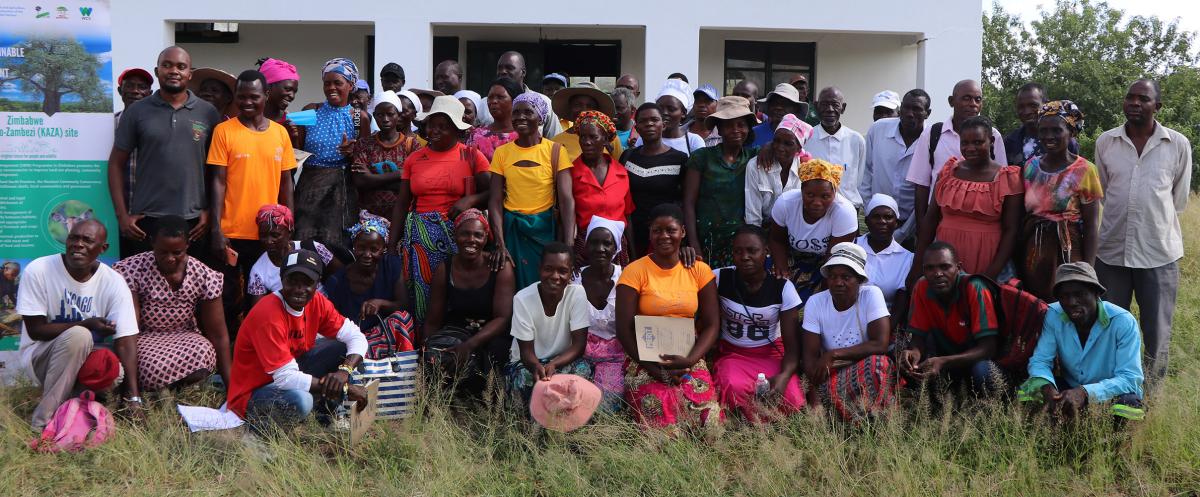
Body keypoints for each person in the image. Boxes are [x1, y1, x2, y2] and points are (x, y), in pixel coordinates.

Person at [1093, 79, 1192, 382]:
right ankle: (1112, 390)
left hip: (1158, 254)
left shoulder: (1177, 144)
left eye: (1143, 99)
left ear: (1157, 106)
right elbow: (1105, 192)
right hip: (1112, 254)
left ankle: (1151, 398)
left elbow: (1178, 199)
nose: (1134, 103)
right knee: (1109, 329)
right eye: (1130, 97)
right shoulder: (1106, 142)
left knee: (1156, 334)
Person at [16, 220, 142, 429]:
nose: (78, 244)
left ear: (103, 248)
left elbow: (126, 340)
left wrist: (134, 398)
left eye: (87, 240)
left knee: (111, 368)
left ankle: (74, 410)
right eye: (74, 238)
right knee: (80, 336)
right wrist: (87, 324)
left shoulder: (113, 281)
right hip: (41, 357)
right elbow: (36, 330)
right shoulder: (39, 270)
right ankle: (44, 423)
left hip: (85, 359)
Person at [226, 248, 369, 433]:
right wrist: (345, 389)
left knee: (342, 348)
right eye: (292, 281)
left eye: (307, 283)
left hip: (288, 372)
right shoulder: (268, 314)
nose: (299, 289)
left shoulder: (317, 302)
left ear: (317, 284)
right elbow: (286, 378)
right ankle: (258, 433)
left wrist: (345, 371)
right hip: (254, 391)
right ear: (282, 279)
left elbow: (356, 337)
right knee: (302, 401)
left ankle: (328, 415)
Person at [615, 204, 722, 431]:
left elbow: (712, 324)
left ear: (683, 231)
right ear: (650, 233)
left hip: (687, 354)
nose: (664, 236)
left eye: (670, 230)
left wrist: (691, 360)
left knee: (709, 420)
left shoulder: (699, 270)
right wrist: (653, 369)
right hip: (645, 359)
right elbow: (623, 329)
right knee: (658, 409)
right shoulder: (634, 271)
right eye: (657, 230)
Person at [108, 46, 221, 259]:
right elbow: (115, 164)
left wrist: (208, 211)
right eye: (167, 65)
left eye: (181, 66)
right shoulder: (137, 111)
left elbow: (215, 170)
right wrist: (122, 216)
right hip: (146, 220)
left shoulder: (208, 112)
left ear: (190, 73)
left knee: (189, 288)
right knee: (145, 288)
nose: (173, 71)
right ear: (157, 70)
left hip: (194, 220)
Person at [391, 96, 490, 322]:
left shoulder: (472, 155)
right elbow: (402, 204)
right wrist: (391, 245)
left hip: (460, 235)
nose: (435, 130)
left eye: (443, 126)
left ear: (456, 129)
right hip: (420, 236)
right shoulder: (415, 158)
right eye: (432, 124)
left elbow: (493, 193)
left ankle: (455, 341)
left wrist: (469, 201)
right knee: (422, 292)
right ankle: (425, 344)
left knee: (454, 291)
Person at [114, 216, 231, 391]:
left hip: (186, 335)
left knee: (204, 352)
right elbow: (130, 328)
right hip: (146, 337)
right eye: (163, 252)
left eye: (177, 253)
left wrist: (232, 387)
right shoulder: (132, 270)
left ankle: (172, 388)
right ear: (152, 243)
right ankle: (166, 389)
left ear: (187, 246)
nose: (170, 259)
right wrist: (133, 393)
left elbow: (218, 335)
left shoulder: (204, 275)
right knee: (152, 366)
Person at [1018, 262, 1145, 421]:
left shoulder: (1122, 321)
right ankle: (1046, 438)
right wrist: (1048, 389)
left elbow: (1130, 378)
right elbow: (1040, 361)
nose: (1071, 302)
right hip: (1069, 390)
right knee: (1029, 390)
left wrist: (1085, 392)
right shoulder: (1053, 314)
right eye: (1064, 296)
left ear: (1096, 293)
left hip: (1109, 393)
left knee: (1129, 405)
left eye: (1079, 294)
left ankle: (1116, 444)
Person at [712, 225, 805, 423]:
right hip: (733, 354)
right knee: (733, 385)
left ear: (767, 251)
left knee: (791, 397)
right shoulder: (719, 277)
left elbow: (792, 346)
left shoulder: (782, 287)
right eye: (738, 251)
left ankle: (772, 427)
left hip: (770, 354)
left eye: (752, 251)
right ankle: (745, 424)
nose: (744, 256)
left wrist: (785, 374)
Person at [914, 116, 1024, 281]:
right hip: (944, 260)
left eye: (978, 142)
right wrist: (917, 265)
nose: (970, 148)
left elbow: (1011, 231)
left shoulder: (1008, 178)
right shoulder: (948, 172)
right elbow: (931, 219)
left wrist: (989, 276)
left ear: (991, 141)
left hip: (987, 260)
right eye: (965, 143)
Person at [488, 92, 575, 290]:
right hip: (513, 231)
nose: (521, 117)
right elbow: (494, 200)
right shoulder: (502, 153)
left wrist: (568, 245)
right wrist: (500, 242)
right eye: (516, 112)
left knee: (546, 286)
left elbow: (566, 200)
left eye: (528, 112)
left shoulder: (555, 151)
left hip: (544, 229)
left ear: (541, 117)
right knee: (513, 286)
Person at [802, 242, 895, 422]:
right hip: (830, 375)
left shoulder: (871, 295)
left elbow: (880, 344)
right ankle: (856, 420)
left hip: (859, 368)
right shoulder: (816, 302)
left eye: (846, 277)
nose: (838, 282)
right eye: (833, 276)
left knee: (879, 363)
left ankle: (871, 423)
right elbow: (810, 363)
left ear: (859, 280)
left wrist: (833, 355)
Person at [1019, 100, 1102, 301]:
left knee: (1069, 304)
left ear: (1071, 132)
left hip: (1069, 252)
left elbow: (1091, 226)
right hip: (1033, 251)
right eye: (1043, 130)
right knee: (1035, 308)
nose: (1049, 136)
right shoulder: (1029, 168)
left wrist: (1087, 270)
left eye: (1056, 130)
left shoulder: (1085, 170)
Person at [900, 241, 1006, 396]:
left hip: (977, 360)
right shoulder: (921, 286)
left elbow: (988, 348)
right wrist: (913, 354)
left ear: (958, 267)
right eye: (930, 268)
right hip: (945, 360)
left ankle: (987, 407)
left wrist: (943, 361)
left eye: (945, 267)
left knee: (983, 372)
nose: (937, 274)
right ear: (923, 270)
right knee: (905, 365)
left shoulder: (974, 287)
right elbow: (918, 339)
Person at [907, 79, 1008, 235]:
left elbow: (1002, 182)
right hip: (938, 220)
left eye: (977, 99)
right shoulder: (932, 134)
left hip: (981, 222)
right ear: (951, 101)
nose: (973, 103)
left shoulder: (993, 136)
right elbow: (922, 185)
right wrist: (922, 228)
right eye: (966, 98)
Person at [422, 209, 515, 378]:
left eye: (478, 235)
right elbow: (432, 320)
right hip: (456, 333)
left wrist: (469, 346)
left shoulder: (500, 267)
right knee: (443, 356)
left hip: (490, 335)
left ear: (486, 238)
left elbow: (502, 319)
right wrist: (428, 351)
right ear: (455, 235)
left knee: (496, 353)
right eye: (465, 234)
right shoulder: (445, 269)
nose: (471, 240)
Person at [294, 57, 371, 256]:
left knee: (337, 243)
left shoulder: (358, 117)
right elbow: (297, 150)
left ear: (351, 85)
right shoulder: (311, 111)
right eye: (327, 83)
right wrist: (292, 132)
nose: (331, 88)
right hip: (309, 185)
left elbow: (364, 160)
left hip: (342, 188)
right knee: (304, 240)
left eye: (338, 83)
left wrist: (352, 154)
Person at [506, 242, 592, 405]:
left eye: (562, 271)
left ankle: (565, 423)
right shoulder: (522, 299)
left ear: (571, 272)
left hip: (561, 360)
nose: (554, 276)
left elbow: (579, 345)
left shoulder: (577, 294)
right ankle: (527, 428)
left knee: (583, 370)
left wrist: (554, 364)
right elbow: (526, 353)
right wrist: (537, 367)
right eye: (548, 269)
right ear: (540, 269)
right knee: (524, 380)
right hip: (528, 363)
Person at [767, 159, 858, 301]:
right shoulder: (786, 203)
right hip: (791, 254)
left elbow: (835, 256)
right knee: (773, 285)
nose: (817, 202)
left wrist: (825, 283)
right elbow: (776, 239)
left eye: (825, 196)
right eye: (810, 195)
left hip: (827, 261)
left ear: (834, 193)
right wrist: (781, 266)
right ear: (801, 190)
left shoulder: (844, 212)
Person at [684, 95, 759, 268]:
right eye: (729, 125)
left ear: (748, 128)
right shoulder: (702, 157)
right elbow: (688, 203)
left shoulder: (754, 157)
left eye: (741, 125)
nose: (735, 130)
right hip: (707, 241)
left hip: (741, 244)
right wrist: (693, 243)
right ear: (719, 128)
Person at [322, 212, 412, 351]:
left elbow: (405, 305)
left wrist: (381, 303)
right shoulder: (337, 281)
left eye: (374, 249)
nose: (367, 255)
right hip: (353, 340)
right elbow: (333, 323)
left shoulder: (390, 266)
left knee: (402, 318)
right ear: (354, 247)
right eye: (361, 248)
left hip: (385, 334)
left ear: (383, 250)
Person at [620, 103, 690, 256]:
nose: (649, 124)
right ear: (636, 128)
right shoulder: (627, 157)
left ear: (663, 125)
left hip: (666, 236)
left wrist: (685, 241)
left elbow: (686, 202)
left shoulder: (679, 159)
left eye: (654, 120)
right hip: (633, 235)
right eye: (643, 121)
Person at [861, 89, 930, 243]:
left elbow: (927, 191)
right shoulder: (878, 129)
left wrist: (904, 232)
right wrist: (870, 212)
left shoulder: (932, 139)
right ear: (900, 109)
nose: (910, 113)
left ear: (927, 113)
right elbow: (866, 174)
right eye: (906, 108)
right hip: (876, 223)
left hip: (912, 226)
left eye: (917, 109)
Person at [573, 218, 627, 412]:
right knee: (573, 397)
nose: (600, 248)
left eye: (607, 243)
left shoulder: (627, 278)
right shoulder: (573, 278)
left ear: (617, 248)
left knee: (606, 405)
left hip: (616, 356)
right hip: (578, 353)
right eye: (594, 242)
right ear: (586, 246)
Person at [569, 111, 634, 265]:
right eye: (583, 137)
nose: (586, 142)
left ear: (605, 139)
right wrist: (569, 249)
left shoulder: (621, 173)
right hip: (583, 248)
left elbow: (628, 216)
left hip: (616, 247)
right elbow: (563, 217)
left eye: (593, 137)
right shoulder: (571, 173)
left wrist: (633, 254)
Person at [246, 205, 342, 309]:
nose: (268, 241)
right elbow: (258, 310)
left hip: (325, 311)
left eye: (275, 235)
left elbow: (342, 274)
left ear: (290, 233)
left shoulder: (314, 248)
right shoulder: (258, 271)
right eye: (263, 235)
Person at [349, 91, 421, 219]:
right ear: (375, 116)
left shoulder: (412, 145)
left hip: (404, 216)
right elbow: (359, 181)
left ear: (398, 115)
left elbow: (414, 184)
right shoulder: (364, 144)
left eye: (390, 114)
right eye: (380, 115)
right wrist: (398, 174)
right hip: (370, 215)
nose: (385, 119)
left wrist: (371, 177)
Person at [744, 113, 814, 226]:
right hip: (762, 230)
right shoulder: (756, 165)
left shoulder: (805, 168)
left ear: (799, 148)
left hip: (794, 230)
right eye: (776, 141)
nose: (780, 147)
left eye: (788, 144)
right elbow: (753, 217)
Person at [474, 51, 562, 138]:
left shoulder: (543, 102)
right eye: (499, 68)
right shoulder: (484, 104)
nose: (503, 71)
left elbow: (555, 139)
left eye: (509, 68)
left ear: (523, 72)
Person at [805, 86, 867, 207]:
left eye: (835, 104)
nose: (830, 109)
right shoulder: (806, 138)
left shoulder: (856, 140)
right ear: (817, 106)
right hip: (815, 210)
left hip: (848, 209)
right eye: (824, 104)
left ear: (843, 108)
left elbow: (861, 179)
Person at [856, 195, 913, 316]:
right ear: (866, 221)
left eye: (888, 217)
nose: (882, 221)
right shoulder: (852, 247)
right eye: (876, 217)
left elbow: (900, 304)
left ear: (896, 223)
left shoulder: (907, 258)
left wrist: (886, 332)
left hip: (885, 322)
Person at [1003, 83, 1079, 167]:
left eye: (1033, 105)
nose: (1027, 111)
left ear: (1046, 104)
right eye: (1021, 107)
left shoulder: (1065, 141)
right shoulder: (1010, 142)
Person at [630, 80, 706, 155]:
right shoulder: (644, 138)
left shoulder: (693, 141)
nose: (665, 113)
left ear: (683, 113)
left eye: (671, 109)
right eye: (660, 108)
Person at [551, 84, 623, 161]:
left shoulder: (609, 138)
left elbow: (619, 168)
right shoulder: (556, 142)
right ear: (570, 108)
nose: (583, 110)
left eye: (590, 106)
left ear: (598, 111)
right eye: (577, 105)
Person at [113, 68, 152, 208]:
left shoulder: (159, 125)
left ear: (150, 93)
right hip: (113, 209)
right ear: (119, 91)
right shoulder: (108, 124)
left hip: (150, 209)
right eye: (129, 86)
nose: (135, 91)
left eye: (142, 87)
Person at [471, 77, 522, 161]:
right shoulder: (476, 135)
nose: (493, 101)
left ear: (515, 101)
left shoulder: (524, 136)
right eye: (490, 97)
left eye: (500, 97)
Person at [258, 58, 302, 148]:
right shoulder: (249, 119)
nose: (292, 96)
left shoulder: (292, 123)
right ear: (268, 87)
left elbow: (296, 159)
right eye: (288, 89)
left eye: (294, 92)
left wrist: (293, 138)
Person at [750, 83, 804, 148]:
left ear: (795, 110)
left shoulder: (803, 136)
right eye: (774, 103)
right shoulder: (754, 133)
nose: (778, 107)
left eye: (785, 104)